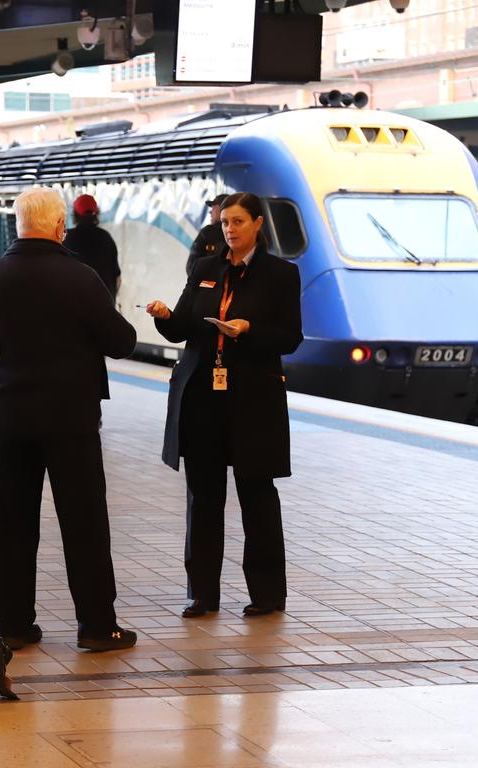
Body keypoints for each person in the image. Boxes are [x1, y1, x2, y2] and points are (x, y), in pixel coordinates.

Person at [0, 186, 138, 653]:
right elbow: (121, 340)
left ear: (18, 225)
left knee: (11, 523)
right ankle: (98, 627)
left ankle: (14, 626)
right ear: (60, 226)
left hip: (9, 419)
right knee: (83, 522)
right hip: (71, 419)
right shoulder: (81, 278)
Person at [143, 192, 302, 619]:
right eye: (224, 222)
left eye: (237, 221)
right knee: (203, 497)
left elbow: (290, 337)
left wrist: (248, 330)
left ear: (257, 225)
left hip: (252, 400)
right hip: (202, 400)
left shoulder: (280, 274)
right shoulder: (205, 269)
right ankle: (202, 594)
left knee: (257, 496)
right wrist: (163, 316)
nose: (229, 229)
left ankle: (268, 595)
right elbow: (182, 328)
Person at [63, 194, 121, 301]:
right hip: (104, 308)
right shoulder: (106, 238)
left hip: (74, 308)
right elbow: (118, 279)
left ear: (75, 214)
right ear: (96, 213)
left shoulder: (66, 239)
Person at [186, 194, 228, 276]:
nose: (210, 212)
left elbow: (191, 268)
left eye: (213, 208)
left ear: (221, 209)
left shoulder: (207, 232)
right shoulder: (242, 233)